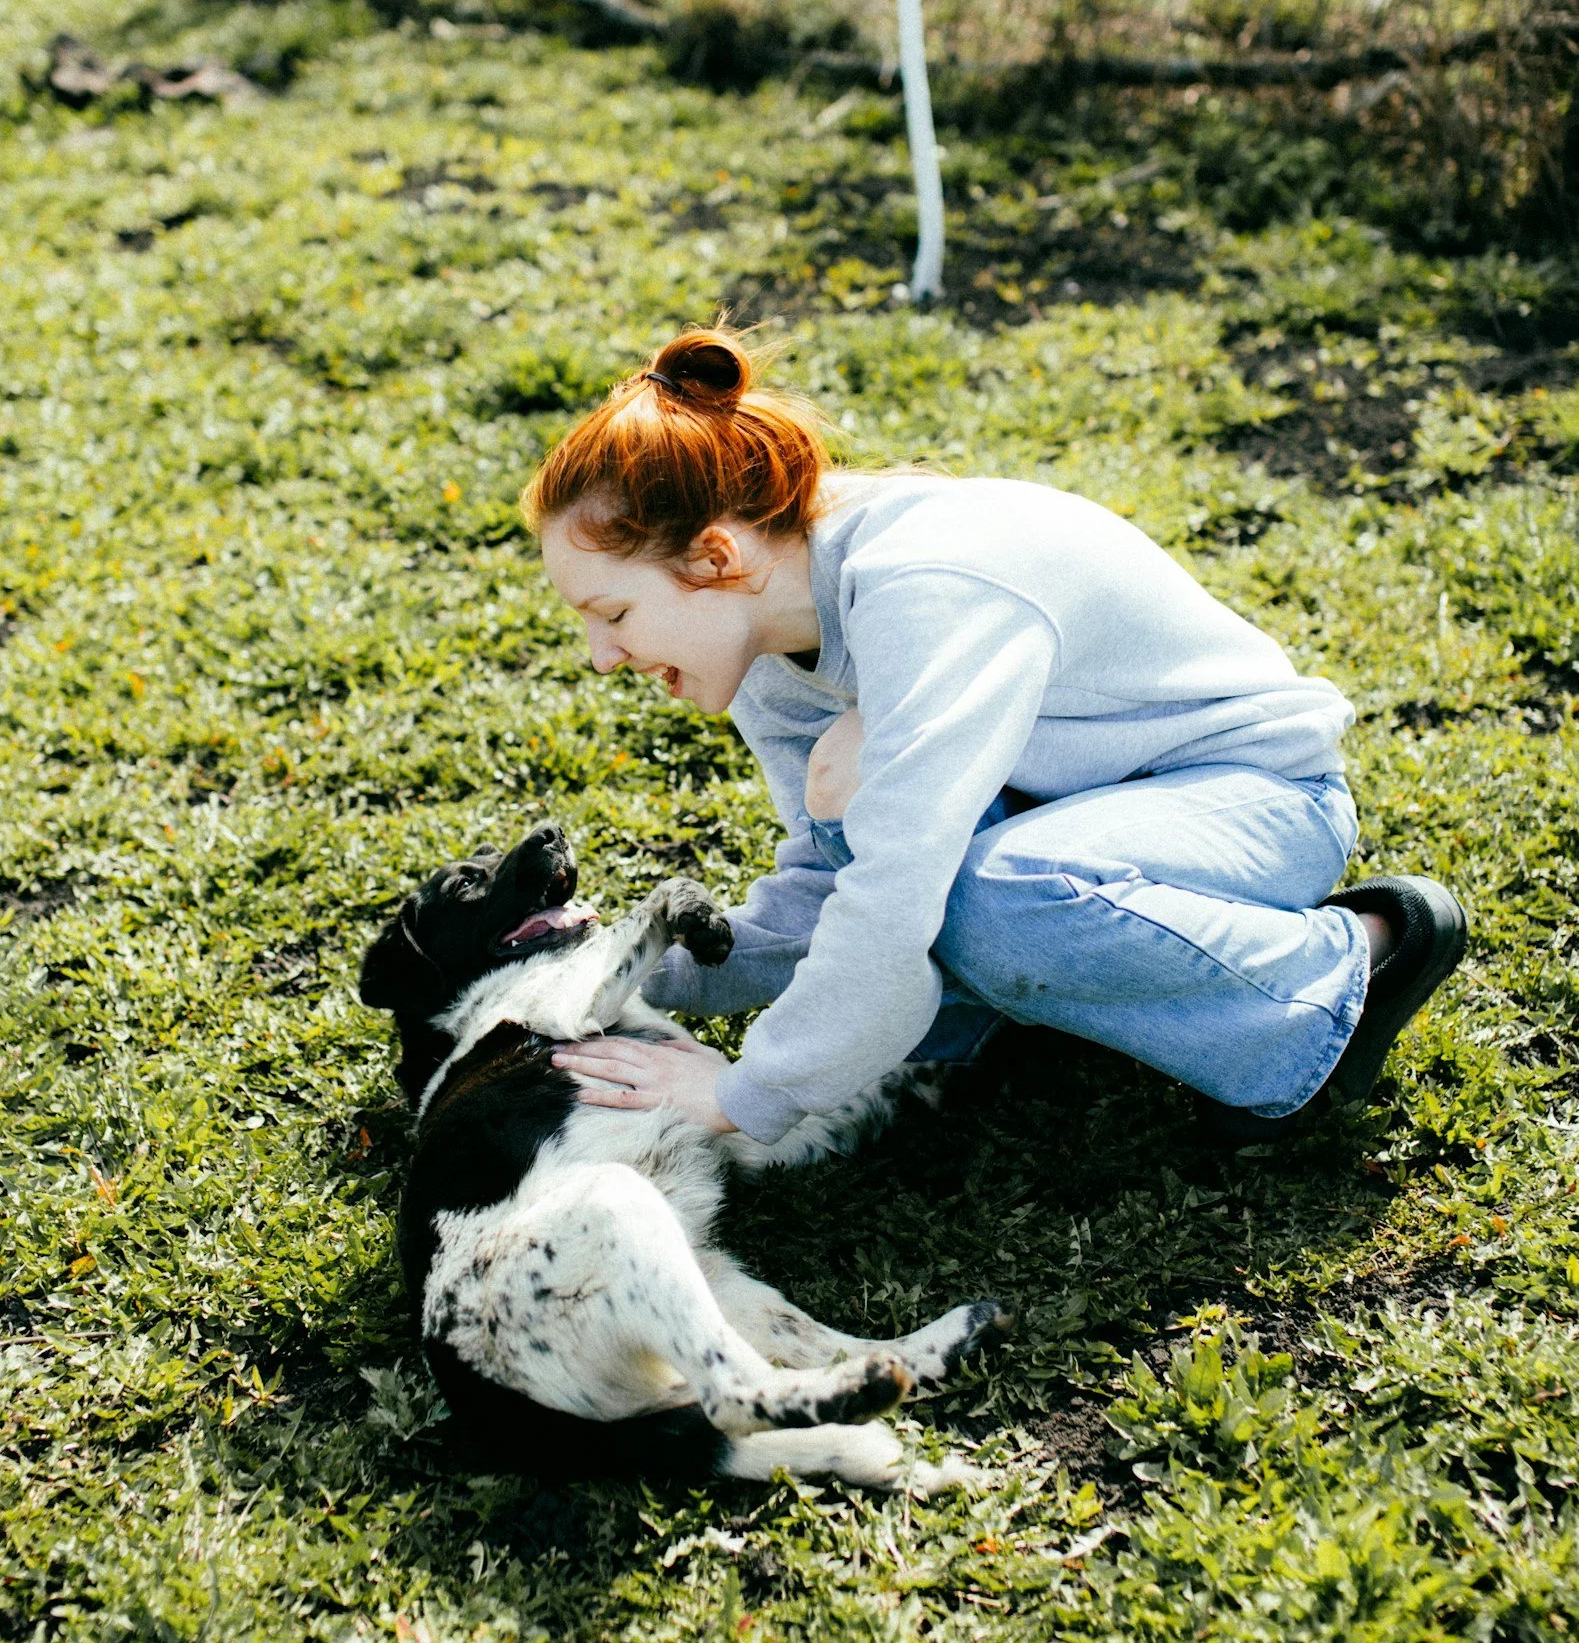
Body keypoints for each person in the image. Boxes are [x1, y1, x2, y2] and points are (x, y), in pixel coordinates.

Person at [522, 326, 1466, 1148]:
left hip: (1254, 801)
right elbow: (830, 887)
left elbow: (895, 893)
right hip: (1074, 815)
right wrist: (618, 975)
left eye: (612, 612)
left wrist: (744, 1095)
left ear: (713, 557)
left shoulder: (927, 587)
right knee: (878, 823)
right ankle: (1039, 998)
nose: (603, 656)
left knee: (988, 898)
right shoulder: (765, 640)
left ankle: (1347, 966)